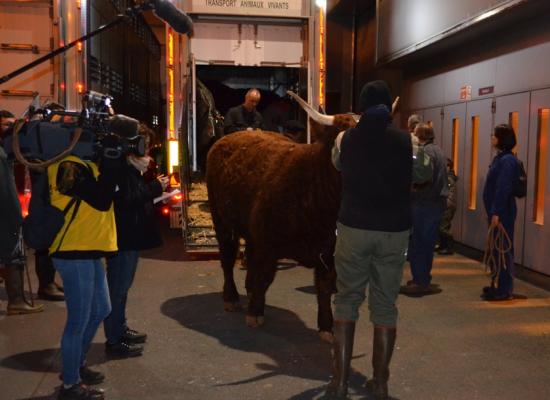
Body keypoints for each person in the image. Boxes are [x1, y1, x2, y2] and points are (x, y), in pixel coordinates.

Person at [326, 80, 412, 400]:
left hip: (353, 228)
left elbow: (338, 164)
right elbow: (424, 173)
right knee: (385, 306)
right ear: (389, 106)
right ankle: (380, 382)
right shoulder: (409, 142)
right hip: (393, 231)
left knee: (347, 300)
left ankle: (340, 383)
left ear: (361, 107)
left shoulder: (344, 139)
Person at [49, 138, 123, 399]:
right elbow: (101, 199)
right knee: (78, 320)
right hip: (72, 251)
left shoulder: (85, 164)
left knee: (102, 309)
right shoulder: (67, 166)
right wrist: (112, 160)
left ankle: (76, 366)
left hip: (89, 249)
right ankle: (70, 384)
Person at [103, 123, 167, 358]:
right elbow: (127, 199)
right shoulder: (121, 167)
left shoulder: (129, 166)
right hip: (124, 237)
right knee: (118, 289)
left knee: (122, 288)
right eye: (145, 145)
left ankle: (120, 329)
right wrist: (155, 187)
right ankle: (114, 340)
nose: (147, 150)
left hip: (129, 235)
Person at [0, 110, 44, 315]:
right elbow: (7, 190)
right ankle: (16, 301)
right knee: (14, 256)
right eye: (6, 125)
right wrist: (17, 216)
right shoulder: (2, 154)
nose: (10, 129)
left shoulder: (8, 151)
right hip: (6, 214)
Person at [400, 123, 448, 296]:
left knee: (419, 243)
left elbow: (423, 178)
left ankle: (420, 281)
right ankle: (422, 278)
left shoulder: (425, 153)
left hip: (425, 204)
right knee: (427, 243)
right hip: (436, 204)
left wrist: (411, 191)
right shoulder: (438, 150)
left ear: (418, 136)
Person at [481, 124, 519, 301]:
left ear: (501, 139)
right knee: (497, 250)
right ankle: (498, 284)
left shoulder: (507, 161)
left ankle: (505, 289)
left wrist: (496, 212)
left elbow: (503, 188)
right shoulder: (502, 158)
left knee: (503, 250)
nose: (492, 138)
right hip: (496, 211)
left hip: (502, 213)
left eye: (494, 135)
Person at [436, 158, 458, 255]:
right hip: (445, 205)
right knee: (443, 226)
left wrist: (445, 204)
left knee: (443, 227)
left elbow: (450, 195)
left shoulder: (448, 179)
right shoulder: (446, 177)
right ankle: (443, 245)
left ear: (449, 167)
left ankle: (449, 247)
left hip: (447, 206)